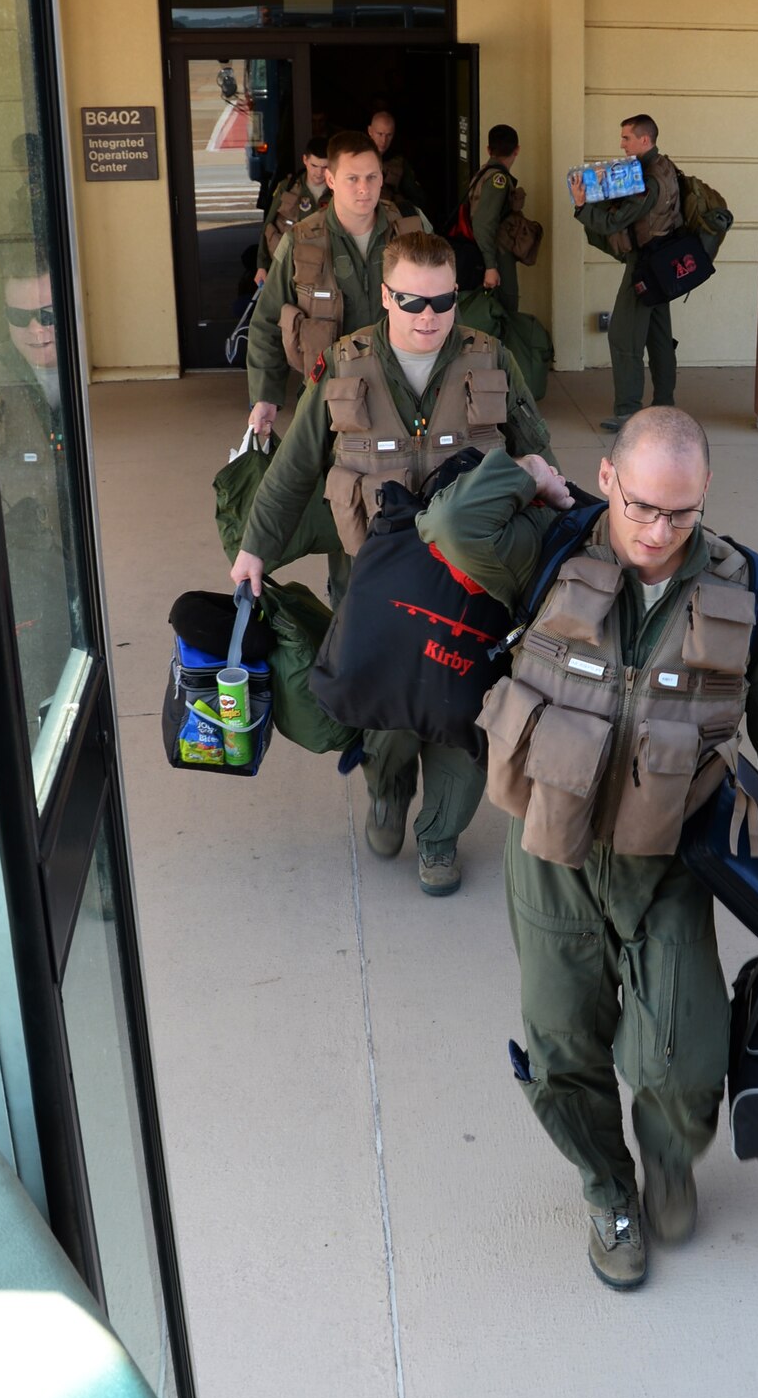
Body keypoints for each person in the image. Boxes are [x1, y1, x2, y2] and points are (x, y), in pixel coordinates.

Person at [421, 406, 758, 1289]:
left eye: (680, 513)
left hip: (668, 862)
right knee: (563, 1042)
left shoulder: (749, 588)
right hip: (553, 852)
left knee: (684, 1054)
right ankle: (606, 1187)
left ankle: (670, 1159)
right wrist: (529, 475)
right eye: (642, 505)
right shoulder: (547, 547)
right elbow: (451, 522)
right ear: (608, 477)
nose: (658, 532)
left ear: (706, 497)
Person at [230, 233, 560, 898]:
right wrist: (253, 548)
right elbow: (294, 471)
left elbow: (541, 460)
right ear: (386, 295)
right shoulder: (343, 365)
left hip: (473, 585)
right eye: (411, 300)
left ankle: (440, 837)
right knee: (389, 707)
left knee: (463, 712)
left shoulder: (491, 358)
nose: (428, 315)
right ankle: (386, 791)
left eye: (443, 301)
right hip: (375, 581)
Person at [245, 129, 430, 439]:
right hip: (327, 394)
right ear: (330, 180)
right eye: (352, 179)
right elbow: (266, 322)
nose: (364, 189)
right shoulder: (301, 241)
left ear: (382, 178)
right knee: (328, 482)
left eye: (372, 177)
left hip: (405, 389)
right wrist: (266, 396)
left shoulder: (412, 230)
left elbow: (445, 306)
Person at [0, 262, 74, 725]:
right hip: (23, 560)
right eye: (17, 313)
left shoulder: (79, 363)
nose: (34, 328)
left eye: (46, 314)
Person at [572, 114, 681, 435]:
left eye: (627, 138)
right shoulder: (664, 166)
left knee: (623, 336)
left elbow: (612, 223)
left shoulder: (646, 178)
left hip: (645, 265)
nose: (621, 144)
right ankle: (664, 403)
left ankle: (628, 411)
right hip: (664, 260)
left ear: (644, 140)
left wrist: (582, 206)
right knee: (658, 335)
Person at [466, 124, 525, 317]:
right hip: (496, 254)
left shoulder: (485, 173)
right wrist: (491, 266)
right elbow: (484, 224)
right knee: (505, 310)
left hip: (489, 252)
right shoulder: (497, 179)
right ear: (517, 150)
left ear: (489, 150)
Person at [255, 138, 330, 284]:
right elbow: (268, 225)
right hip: (287, 266)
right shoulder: (288, 187)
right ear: (305, 160)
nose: (319, 173)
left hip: (323, 269)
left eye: (325, 167)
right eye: (314, 165)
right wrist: (262, 266)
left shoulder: (338, 192)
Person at [367, 109, 426, 215]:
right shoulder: (356, 158)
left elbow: (417, 197)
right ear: (370, 131)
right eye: (380, 134)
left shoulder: (399, 162)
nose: (384, 140)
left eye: (389, 135)